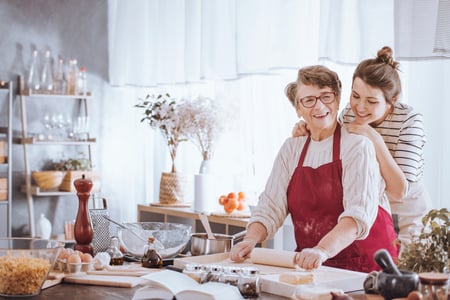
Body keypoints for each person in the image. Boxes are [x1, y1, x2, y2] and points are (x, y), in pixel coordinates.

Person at [230, 65, 399, 273]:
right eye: (309, 100)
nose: (319, 107)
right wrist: (250, 239)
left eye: (326, 96)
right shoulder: (291, 148)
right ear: (299, 109)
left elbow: (357, 215)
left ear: (337, 100)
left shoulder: (357, 146)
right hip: (311, 265)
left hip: (363, 267)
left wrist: (322, 250)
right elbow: (270, 206)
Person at [293, 47, 430, 244]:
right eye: (355, 96)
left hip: (407, 213)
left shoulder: (409, 121)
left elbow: (399, 191)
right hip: (372, 208)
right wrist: (307, 129)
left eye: (371, 101)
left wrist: (373, 137)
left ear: (392, 101)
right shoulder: (350, 114)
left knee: (405, 272)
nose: (360, 107)